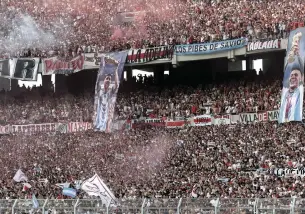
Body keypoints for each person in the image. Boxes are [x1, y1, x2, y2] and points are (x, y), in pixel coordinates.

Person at [94, 56, 119, 132]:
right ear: (104, 80)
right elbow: (98, 79)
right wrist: (102, 66)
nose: (108, 80)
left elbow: (117, 84)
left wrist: (116, 70)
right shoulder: (99, 90)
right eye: (107, 78)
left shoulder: (110, 91)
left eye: (109, 79)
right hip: (99, 114)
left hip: (106, 114)